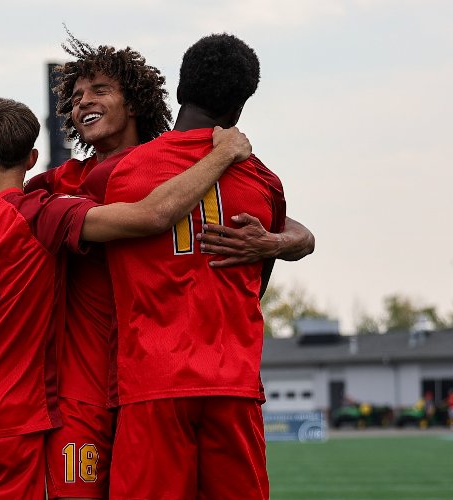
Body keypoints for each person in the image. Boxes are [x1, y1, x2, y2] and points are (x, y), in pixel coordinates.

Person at [0, 34, 313, 500]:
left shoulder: (154, 168)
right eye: (75, 97)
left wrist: (275, 241)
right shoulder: (65, 181)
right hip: (88, 387)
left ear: (134, 101)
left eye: (99, 90)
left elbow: (290, 226)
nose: (83, 103)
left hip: (157, 378)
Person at [98, 33, 287, 498]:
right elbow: (257, 279)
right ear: (240, 107)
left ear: (181, 89)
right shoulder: (263, 181)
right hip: (234, 383)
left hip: (153, 381)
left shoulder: (125, 172)